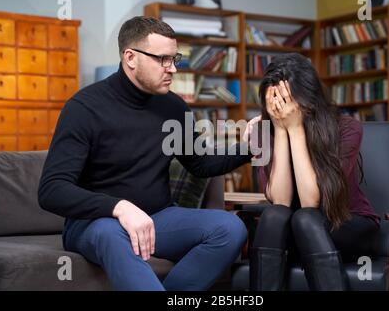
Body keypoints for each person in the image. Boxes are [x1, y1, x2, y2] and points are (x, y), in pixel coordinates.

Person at [38, 16, 254, 291]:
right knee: (111, 232)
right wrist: (119, 207)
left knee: (230, 229)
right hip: (95, 224)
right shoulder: (84, 108)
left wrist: (250, 146)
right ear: (130, 57)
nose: (173, 69)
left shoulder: (173, 107)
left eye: (175, 59)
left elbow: (201, 163)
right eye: (163, 59)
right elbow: (52, 190)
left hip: (158, 218)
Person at [249, 53, 380, 291]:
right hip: (297, 228)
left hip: (347, 224)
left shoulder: (347, 128)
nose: (280, 106)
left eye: (286, 98)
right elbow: (280, 200)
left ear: (307, 96)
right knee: (274, 215)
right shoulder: (263, 130)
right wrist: (280, 131)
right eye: (274, 98)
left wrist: (296, 129)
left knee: (305, 218)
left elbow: (311, 202)